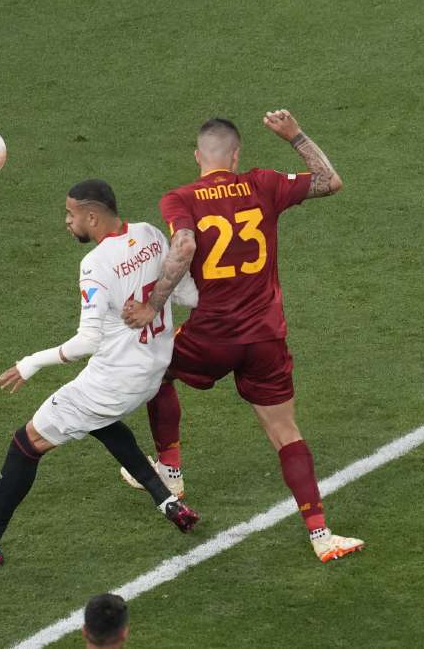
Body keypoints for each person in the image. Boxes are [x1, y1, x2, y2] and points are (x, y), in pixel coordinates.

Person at [121, 115, 364, 563]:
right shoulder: (263, 183)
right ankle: (321, 535)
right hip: (266, 336)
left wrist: (153, 305)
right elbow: (330, 181)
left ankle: (170, 471)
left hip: (212, 335)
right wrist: (294, 136)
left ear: (198, 156)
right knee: (285, 431)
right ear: (236, 156)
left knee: (156, 369)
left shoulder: (181, 197)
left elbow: (185, 247)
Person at [0, 180, 200, 568]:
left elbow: (87, 341)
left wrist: (31, 362)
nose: (67, 221)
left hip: (114, 380)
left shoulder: (94, 265)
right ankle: (168, 501)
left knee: (26, 443)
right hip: (153, 370)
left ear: (92, 216)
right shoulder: (151, 234)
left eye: (71, 214)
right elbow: (184, 293)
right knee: (96, 420)